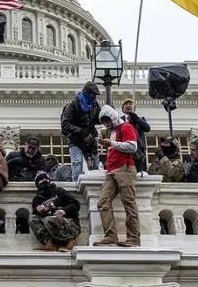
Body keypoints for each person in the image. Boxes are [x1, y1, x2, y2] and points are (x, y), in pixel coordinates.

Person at [94, 105, 139, 248]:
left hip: (125, 168)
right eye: (104, 122)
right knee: (103, 202)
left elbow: (133, 147)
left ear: (113, 117)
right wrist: (108, 143)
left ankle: (133, 239)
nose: (106, 124)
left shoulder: (126, 127)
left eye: (107, 121)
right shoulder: (112, 131)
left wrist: (112, 143)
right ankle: (111, 236)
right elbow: (117, 147)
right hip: (112, 170)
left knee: (129, 203)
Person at [29, 172, 81, 252]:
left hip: (70, 226)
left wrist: (64, 210)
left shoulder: (59, 191)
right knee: (33, 220)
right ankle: (50, 243)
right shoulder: (37, 199)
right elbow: (36, 215)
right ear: (37, 183)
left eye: (45, 178)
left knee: (49, 219)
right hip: (50, 226)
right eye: (41, 179)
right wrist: (38, 210)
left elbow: (76, 204)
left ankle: (70, 242)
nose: (44, 180)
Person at [61, 82, 101, 181]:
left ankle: (95, 183)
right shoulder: (73, 105)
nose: (94, 97)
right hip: (75, 140)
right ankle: (76, 184)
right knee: (77, 162)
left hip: (89, 142)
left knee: (95, 164)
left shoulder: (94, 105)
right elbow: (65, 124)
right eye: (92, 94)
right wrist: (82, 132)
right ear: (87, 93)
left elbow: (99, 119)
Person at [121, 100, 151, 173]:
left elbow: (147, 128)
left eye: (130, 104)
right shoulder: (119, 120)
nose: (128, 105)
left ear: (134, 108)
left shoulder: (140, 119)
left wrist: (137, 119)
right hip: (123, 149)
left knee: (138, 173)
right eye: (126, 104)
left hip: (138, 151)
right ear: (123, 109)